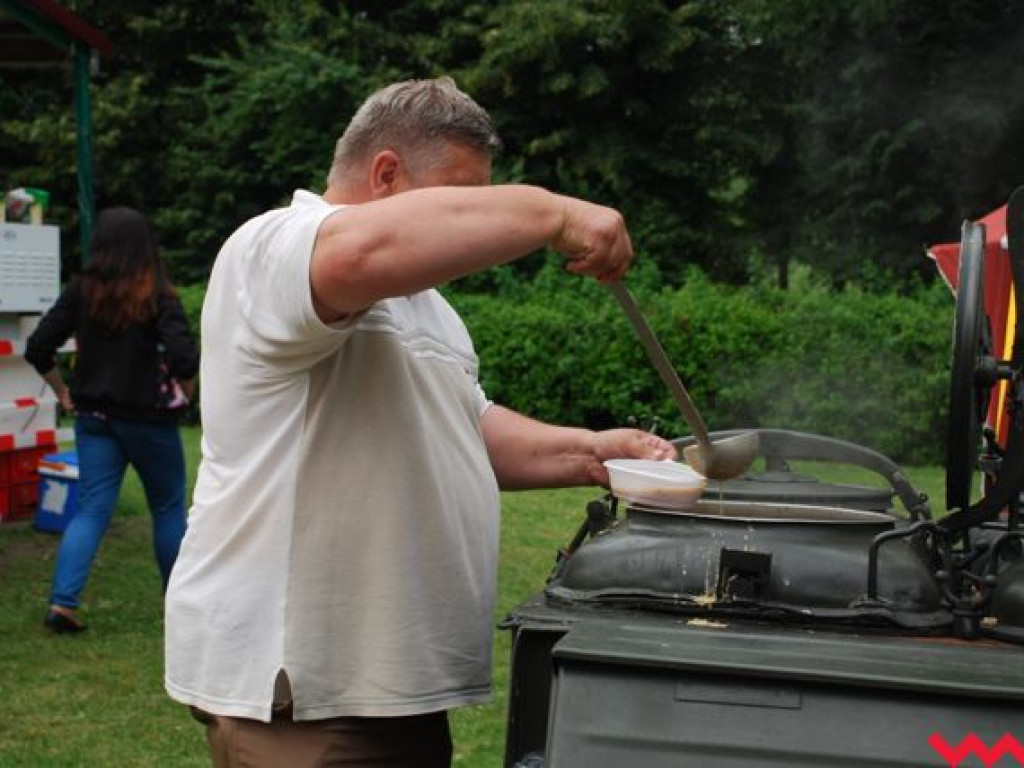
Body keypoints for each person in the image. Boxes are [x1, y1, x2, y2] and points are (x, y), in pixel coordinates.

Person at [164, 76, 676, 767]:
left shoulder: (428, 308)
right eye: (462, 198)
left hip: (388, 692)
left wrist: (593, 453)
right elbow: (358, 252)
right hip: (309, 698)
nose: (479, 222)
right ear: (384, 174)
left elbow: (464, 424)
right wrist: (552, 214)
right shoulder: (275, 247)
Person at [25, 206, 200, 634]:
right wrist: (188, 391)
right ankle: (176, 605)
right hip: (149, 420)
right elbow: (185, 358)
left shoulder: (82, 291)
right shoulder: (158, 294)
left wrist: (62, 391)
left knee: (90, 509)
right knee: (168, 507)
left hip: (94, 418)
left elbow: (38, 347)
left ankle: (62, 604)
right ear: (146, 247)